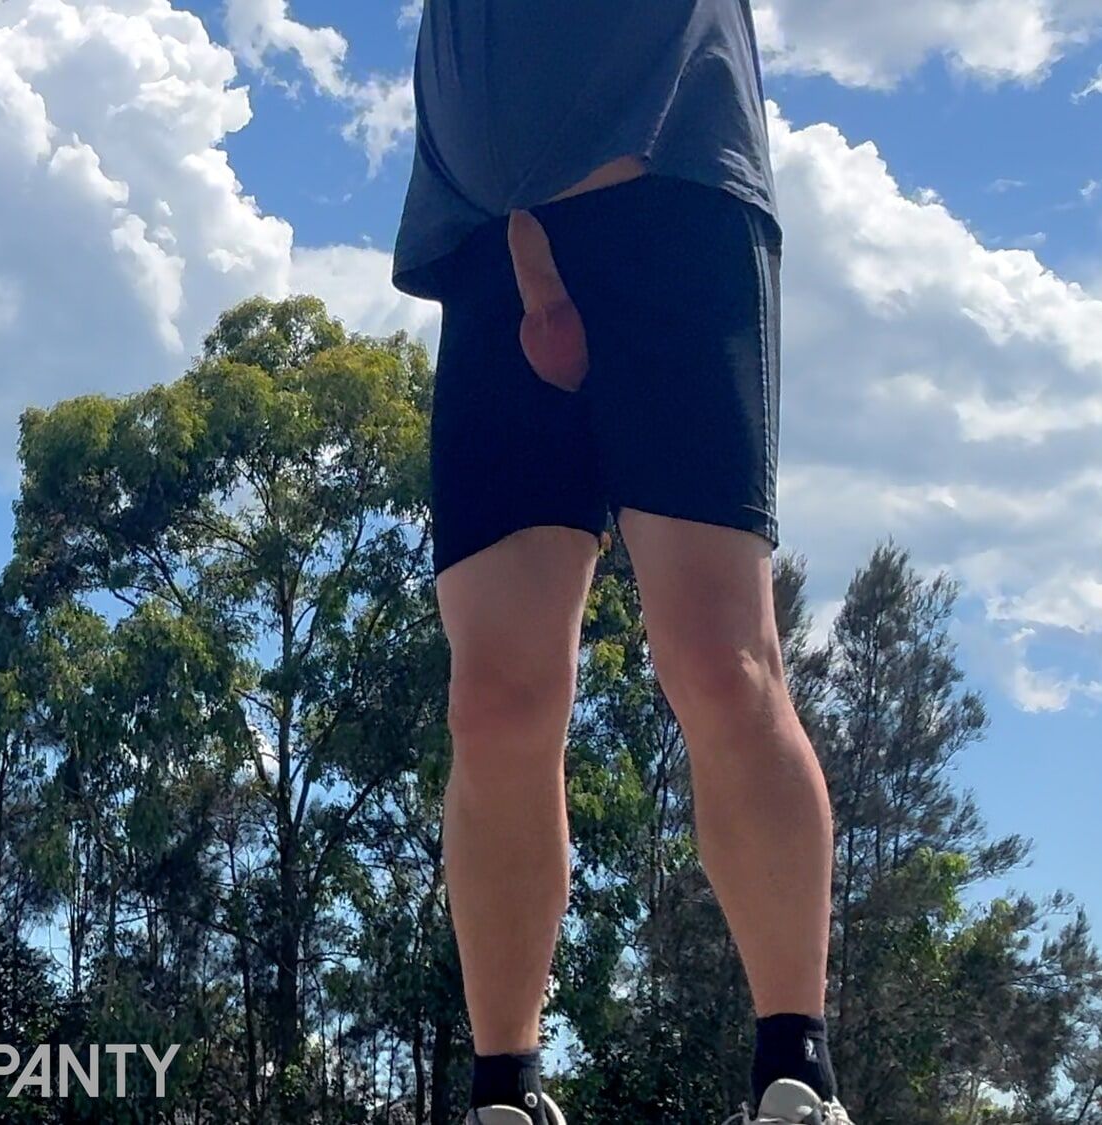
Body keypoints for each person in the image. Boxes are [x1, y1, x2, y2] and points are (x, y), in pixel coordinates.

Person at [390, 3, 850, 1123]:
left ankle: (795, 1074)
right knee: (492, 699)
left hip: (672, 202)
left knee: (715, 657)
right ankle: (504, 1090)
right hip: (491, 237)